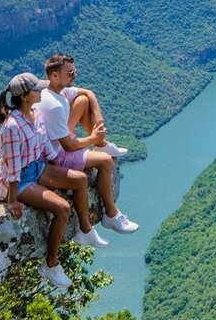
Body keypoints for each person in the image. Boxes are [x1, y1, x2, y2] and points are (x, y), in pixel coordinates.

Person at [0, 72, 109, 291]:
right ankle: (51, 264)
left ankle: (85, 231)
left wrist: (66, 165)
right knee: (62, 208)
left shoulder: (35, 113)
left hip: (38, 167)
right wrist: (12, 200)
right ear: (25, 96)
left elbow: (46, 147)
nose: (41, 92)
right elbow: (12, 166)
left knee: (80, 180)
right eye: (37, 89)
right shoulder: (12, 127)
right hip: (21, 180)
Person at [35, 52, 139, 235]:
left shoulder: (58, 91)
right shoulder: (54, 105)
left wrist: (98, 124)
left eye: (75, 71)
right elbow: (68, 146)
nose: (75, 76)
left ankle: (102, 144)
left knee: (82, 100)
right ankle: (111, 215)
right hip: (56, 155)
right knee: (105, 161)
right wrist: (93, 138)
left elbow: (88, 93)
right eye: (70, 73)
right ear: (54, 75)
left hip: (60, 141)